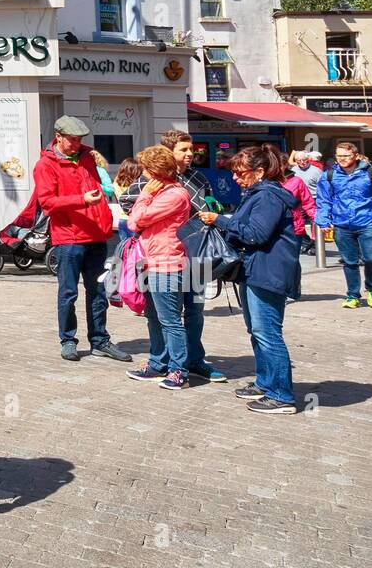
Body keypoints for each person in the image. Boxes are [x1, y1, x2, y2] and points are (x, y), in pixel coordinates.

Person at [121, 128, 223, 381]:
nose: (190, 154)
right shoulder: (148, 181)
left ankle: (193, 360)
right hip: (163, 253)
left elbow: (209, 203)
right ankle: (163, 360)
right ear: (169, 153)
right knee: (162, 314)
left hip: (195, 253)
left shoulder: (198, 178)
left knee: (194, 311)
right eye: (184, 150)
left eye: (191, 149)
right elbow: (128, 204)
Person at [214, 144, 301, 414]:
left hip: (268, 271)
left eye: (240, 173)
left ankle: (282, 395)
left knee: (268, 333)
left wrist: (220, 220)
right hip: (256, 270)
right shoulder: (258, 193)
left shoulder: (268, 196)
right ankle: (265, 382)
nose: (236, 179)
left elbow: (256, 234)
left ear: (260, 171)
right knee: (257, 331)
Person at [33, 116, 124, 363]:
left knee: (98, 291)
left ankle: (100, 341)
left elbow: (99, 190)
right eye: (72, 139)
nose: (76, 144)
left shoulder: (87, 157)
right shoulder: (45, 165)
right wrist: (81, 200)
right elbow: (47, 202)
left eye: (79, 139)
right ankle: (68, 340)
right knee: (68, 293)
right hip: (69, 238)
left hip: (95, 235)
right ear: (58, 136)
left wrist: (104, 219)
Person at [125, 144, 194, 390]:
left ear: (155, 171)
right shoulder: (160, 193)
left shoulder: (175, 195)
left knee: (170, 320)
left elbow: (135, 222)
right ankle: (157, 363)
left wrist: (144, 196)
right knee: (153, 317)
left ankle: (179, 371)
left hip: (166, 263)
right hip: (149, 260)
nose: (143, 173)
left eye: (146, 169)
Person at [316, 139, 372, 310]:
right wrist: (323, 221)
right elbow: (324, 201)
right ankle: (353, 294)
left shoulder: (371, 174)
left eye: (346, 155)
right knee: (349, 261)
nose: (342, 159)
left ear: (355, 155)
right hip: (342, 224)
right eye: (339, 156)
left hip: (369, 222)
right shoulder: (329, 175)